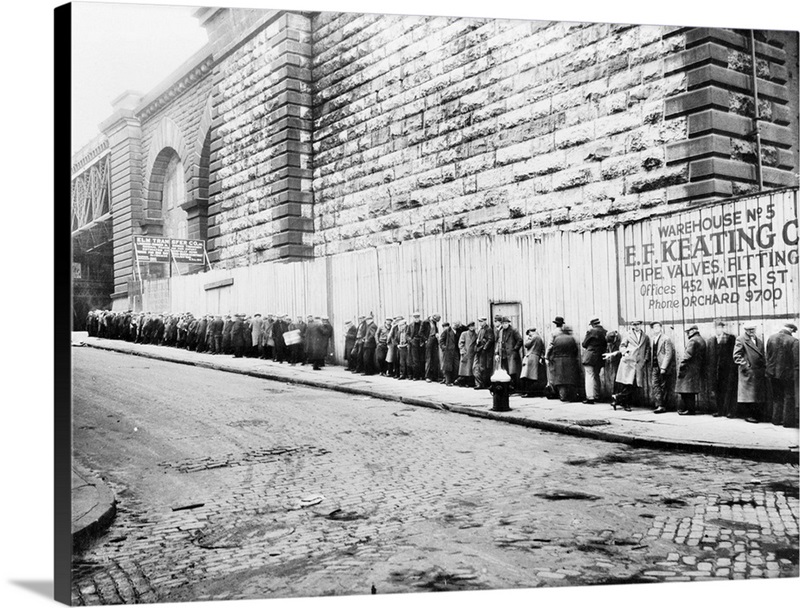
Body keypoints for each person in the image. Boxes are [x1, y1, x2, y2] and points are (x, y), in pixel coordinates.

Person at [605, 320, 650, 411]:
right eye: (634, 324)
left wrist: (645, 359)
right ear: (632, 325)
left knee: (633, 385)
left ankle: (617, 399)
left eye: (638, 324)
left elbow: (647, 349)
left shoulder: (645, 336)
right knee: (628, 384)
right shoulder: (628, 334)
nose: (636, 326)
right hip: (628, 362)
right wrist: (625, 353)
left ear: (641, 325)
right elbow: (622, 346)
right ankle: (625, 404)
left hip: (638, 363)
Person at [732, 322, 768, 424]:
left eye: (753, 329)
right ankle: (749, 415)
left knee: (756, 395)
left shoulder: (759, 341)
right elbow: (736, 356)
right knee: (749, 395)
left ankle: (756, 415)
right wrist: (746, 366)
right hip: (748, 372)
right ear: (745, 330)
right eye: (749, 330)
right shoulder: (741, 339)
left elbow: (762, 355)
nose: (751, 332)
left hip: (758, 371)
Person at [766, 323, 799, 428]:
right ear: (791, 330)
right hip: (787, 374)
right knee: (789, 397)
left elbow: (768, 355)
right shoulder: (794, 341)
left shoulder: (771, 338)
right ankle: (788, 422)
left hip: (772, 373)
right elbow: (797, 361)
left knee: (776, 397)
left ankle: (776, 419)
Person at [706, 319, 737, 418]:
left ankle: (729, 411)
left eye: (721, 327)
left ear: (724, 328)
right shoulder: (711, 340)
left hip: (727, 370)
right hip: (715, 370)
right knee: (717, 390)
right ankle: (720, 410)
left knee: (729, 391)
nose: (719, 329)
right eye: (717, 327)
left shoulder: (730, 339)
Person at [546, 324, 581, 401]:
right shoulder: (571, 339)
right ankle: (571, 396)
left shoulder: (557, 339)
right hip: (570, 360)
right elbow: (575, 350)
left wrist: (549, 357)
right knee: (570, 379)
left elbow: (553, 349)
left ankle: (562, 396)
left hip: (558, 361)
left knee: (560, 379)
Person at [676, 324, 705, 415]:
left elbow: (688, 355)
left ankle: (689, 410)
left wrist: (682, 364)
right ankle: (689, 409)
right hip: (696, 368)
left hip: (689, 368)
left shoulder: (693, 341)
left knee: (686, 390)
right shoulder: (701, 339)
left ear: (693, 331)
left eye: (688, 331)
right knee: (690, 390)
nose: (687, 334)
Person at [649, 321, 676, 414]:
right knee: (655, 385)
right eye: (654, 327)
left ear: (661, 328)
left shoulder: (666, 339)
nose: (656, 328)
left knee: (663, 386)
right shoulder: (652, 339)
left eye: (658, 326)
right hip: (655, 366)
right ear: (652, 329)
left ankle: (662, 406)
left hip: (662, 367)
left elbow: (668, 354)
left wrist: (664, 367)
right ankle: (659, 404)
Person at [581, 317, 607, 404]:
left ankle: (590, 397)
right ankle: (597, 395)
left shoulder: (591, 331)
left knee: (589, 376)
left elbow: (584, 344)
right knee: (596, 375)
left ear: (592, 324)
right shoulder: (605, 332)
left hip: (590, 356)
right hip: (600, 356)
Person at [495, 316, 523, 389]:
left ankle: (515, 387)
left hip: (512, 355)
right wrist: (497, 353)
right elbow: (499, 342)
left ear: (508, 323)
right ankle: (508, 387)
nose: (505, 325)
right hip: (503, 355)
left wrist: (515, 349)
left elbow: (520, 340)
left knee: (513, 371)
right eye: (503, 323)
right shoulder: (501, 332)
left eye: (506, 323)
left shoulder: (514, 330)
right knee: (505, 371)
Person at [520, 328, 546, 397]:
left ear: (531, 332)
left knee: (528, 376)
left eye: (529, 333)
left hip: (530, 357)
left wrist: (527, 338)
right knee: (534, 376)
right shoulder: (540, 338)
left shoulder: (533, 337)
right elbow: (543, 349)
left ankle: (529, 393)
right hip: (536, 357)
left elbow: (526, 345)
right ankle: (533, 392)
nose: (529, 335)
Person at [473, 316, 494, 390]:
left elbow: (490, 339)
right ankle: (479, 383)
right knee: (477, 367)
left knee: (483, 368)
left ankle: (483, 384)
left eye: (482, 321)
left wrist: (485, 348)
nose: (480, 323)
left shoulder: (488, 329)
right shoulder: (480, 329)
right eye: (479, 321)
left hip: (484, 351)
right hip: (479, 350)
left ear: (485, 321)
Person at [602, 330, 621, 400]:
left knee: (617, 379)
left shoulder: (619, 341)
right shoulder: (610, 340)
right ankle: (615, 396)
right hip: (613, 362)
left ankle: (617, 396)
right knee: (614, 379)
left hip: (618, 362)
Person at [457, 321, 477, 387]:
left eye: (473, 326)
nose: (472, 328)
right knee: (464, 370)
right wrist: (462, 351)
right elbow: (461, 343)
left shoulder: (476, 335)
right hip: (465, 353)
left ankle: (469, 383)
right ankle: (462, 382)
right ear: (468, 327)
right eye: (470, 326)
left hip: (472, 354)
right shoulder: (464, 334)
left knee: (470, 369)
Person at [423, 313, 441, 383]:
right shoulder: (425, 322)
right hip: (429, 339)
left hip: (434, 340)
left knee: (435, 359)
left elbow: (435, 330)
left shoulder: (434, 322)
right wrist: (426, 340)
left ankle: (435, 376)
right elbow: (421, 332)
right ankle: (427, 376)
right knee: (428, 359)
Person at [439, 321, 458, 386]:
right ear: (452, 325)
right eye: (454, 325)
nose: (455, 326)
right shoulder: (447, 331)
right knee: (447, 367)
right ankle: (448, 381)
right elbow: (441, 340)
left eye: (457, 325)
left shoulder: (457, 331)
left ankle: (453, 380)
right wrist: (444, 348)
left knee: (456, 366)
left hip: (455, 351)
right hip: (448, 351)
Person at [408, 312, 425, 380]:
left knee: (422, 359)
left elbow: (426, 333)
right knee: (415, 360)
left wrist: (424, 341)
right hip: (414, 342)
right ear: (413, 318)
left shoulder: (423, 324)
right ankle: (415, 376)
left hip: (421, 342)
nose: (416, 318)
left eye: (417, 317)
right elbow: (407, 334)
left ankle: (422, 375)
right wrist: (411, 340)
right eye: (415, 317)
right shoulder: (410, 325)